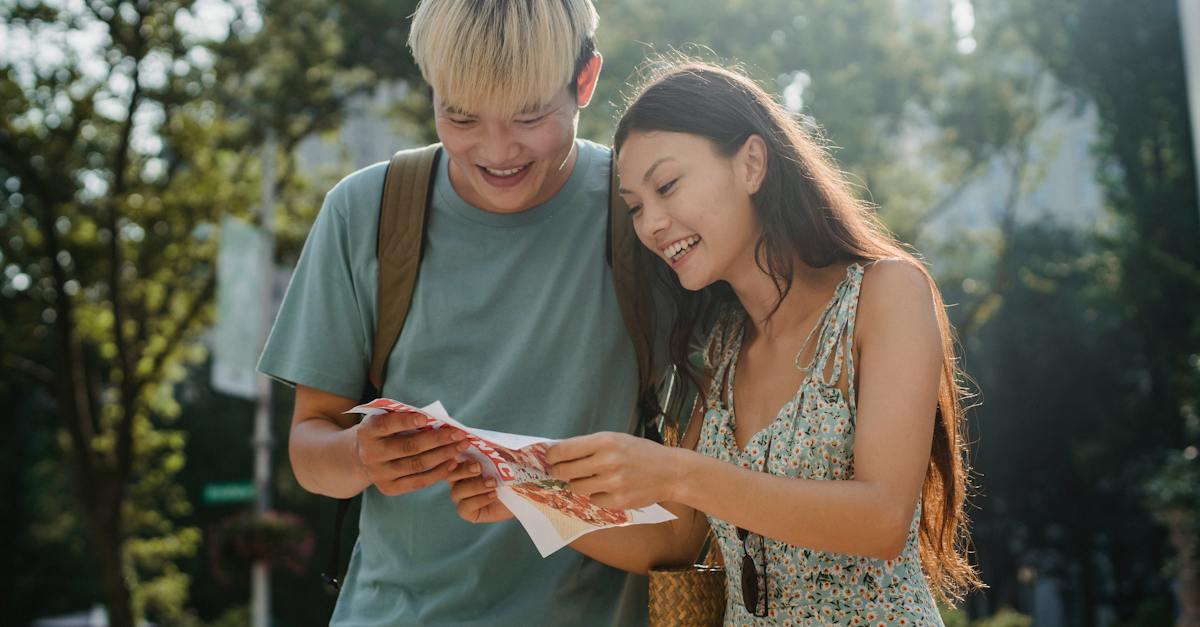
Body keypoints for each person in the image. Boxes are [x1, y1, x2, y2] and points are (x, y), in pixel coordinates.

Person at [450, 61, 983, 624]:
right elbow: (675, 542)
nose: (652, 223)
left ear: (752, 162)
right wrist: (525, 493)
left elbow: (881, 520)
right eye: (635, 206)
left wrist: (677, 471)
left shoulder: (884, 294)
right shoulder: (723, 347)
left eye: (668, 186)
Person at [257, 1, 650, 625]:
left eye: (529, 116)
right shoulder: (367, 212)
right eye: (461, 116)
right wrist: (362, 454)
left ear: (585, 82)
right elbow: (310, 449)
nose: (496, 151)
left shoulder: (643, 212)